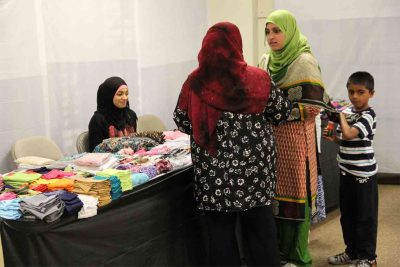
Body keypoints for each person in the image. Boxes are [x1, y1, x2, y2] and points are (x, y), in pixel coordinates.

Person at [173, 22, 291, 267]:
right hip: (255, 171)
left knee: (220, 234)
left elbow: (182, 120)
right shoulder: (258, 79)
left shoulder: (194, 82)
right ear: (236, 44)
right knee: (260, 228)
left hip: (213, 173)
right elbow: (281, 112)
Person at [259, 9, 332, 267]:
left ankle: (298, 257)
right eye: (268, 31)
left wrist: (280, 112)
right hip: (270, 143)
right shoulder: (265, 61)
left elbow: (315, 107)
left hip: (296, 141)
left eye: (277, 30)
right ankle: (279, 252)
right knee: (274, 198)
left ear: (289, 31)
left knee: (297, 196)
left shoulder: (304, 61)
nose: (271, 36)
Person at [324, 72, 378, 267]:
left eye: (360, 92)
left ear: (371, 93)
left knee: (365, 218)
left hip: (363, 175)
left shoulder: (368, 116)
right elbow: (340, 138)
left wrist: (340, 114)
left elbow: (348, 134)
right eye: (351, 92)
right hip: (346, 171)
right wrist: (331, 124)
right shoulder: (348, 114)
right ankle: (352, 251)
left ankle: (368, 257)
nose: (355, 97)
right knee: (348, 216)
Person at [88, 76, 137, 151]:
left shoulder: (130, 115)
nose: (125, 98)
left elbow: (137, 142)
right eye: (120, 94)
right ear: (109, 96)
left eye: (126, 94)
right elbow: (94, 152)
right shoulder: (98, 120)